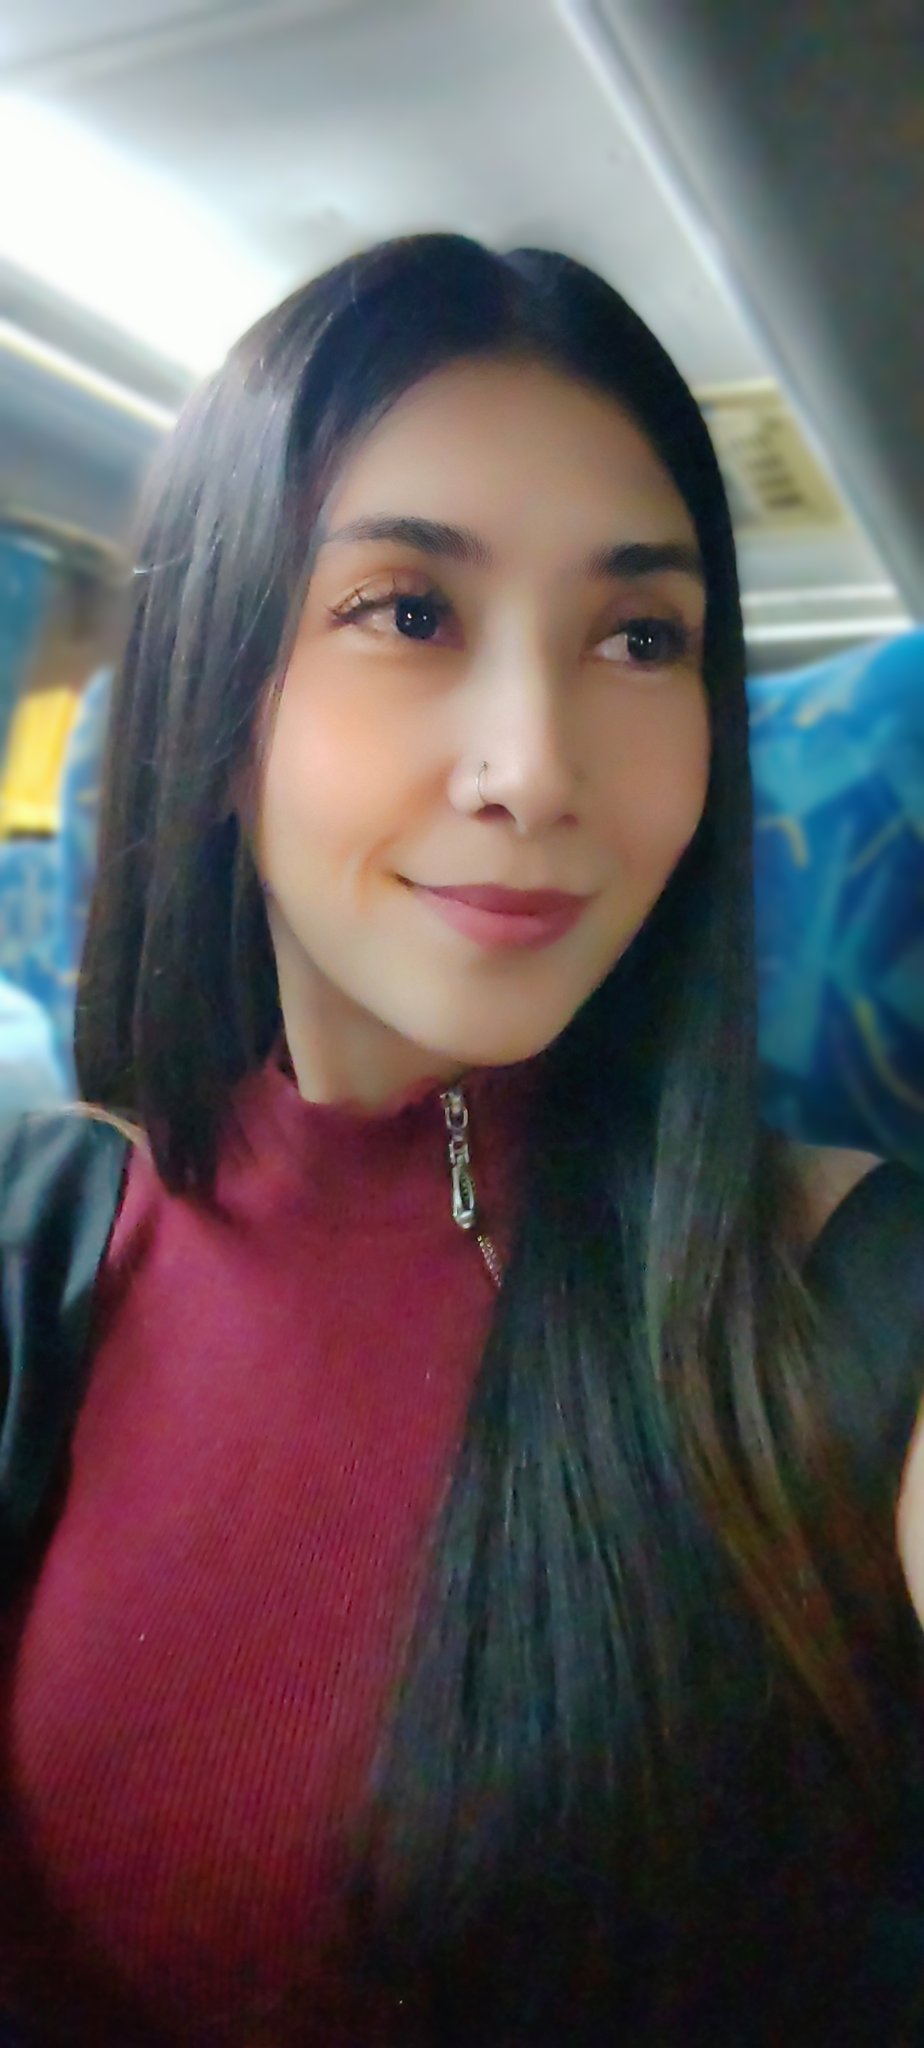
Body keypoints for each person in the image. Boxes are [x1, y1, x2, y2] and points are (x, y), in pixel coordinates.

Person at [0, 232, 921, 2046]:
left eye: (640, 637)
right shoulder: (43, 1225)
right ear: (219, 708)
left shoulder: (855, 1296)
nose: (540, 765)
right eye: (409, 612)